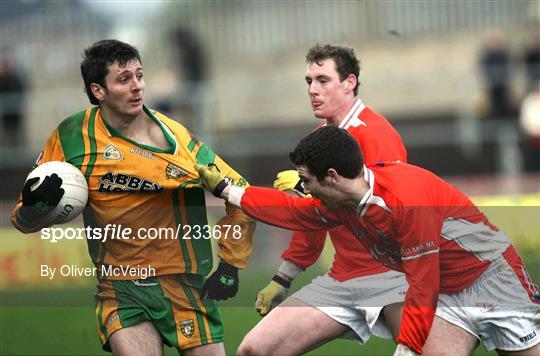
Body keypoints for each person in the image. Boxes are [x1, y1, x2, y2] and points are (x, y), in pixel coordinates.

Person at [196, 125, 540, 355]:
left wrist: (406, 349)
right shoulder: (339, 201)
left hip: (494, 282)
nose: (303, 190)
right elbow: (293, 211)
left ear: (331, 177)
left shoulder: (404, 200)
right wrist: (230, 191)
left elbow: (423, 282)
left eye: (306, 181)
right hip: (448, 294)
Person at [11, 39, 256, 356]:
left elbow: (241, 192)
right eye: (124, 79)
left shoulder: (177, 141)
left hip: (185, 285)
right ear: (98, 91)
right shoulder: (70, 137)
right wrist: (35, 208)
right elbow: (23, 218)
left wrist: (231, 265)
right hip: (121, 288)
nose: (137, 86)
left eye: (140, 76)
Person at [240, 44, 409, 355]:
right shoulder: (319, 138)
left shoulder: (377, 134)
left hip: (394, 276)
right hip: (345, 278)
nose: (313, 90)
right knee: (255, 350)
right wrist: (283, 278)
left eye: (323, 80)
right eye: (309, 81)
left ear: (350, 82)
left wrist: (315, 190)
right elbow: (312, 218)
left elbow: (386, 213)